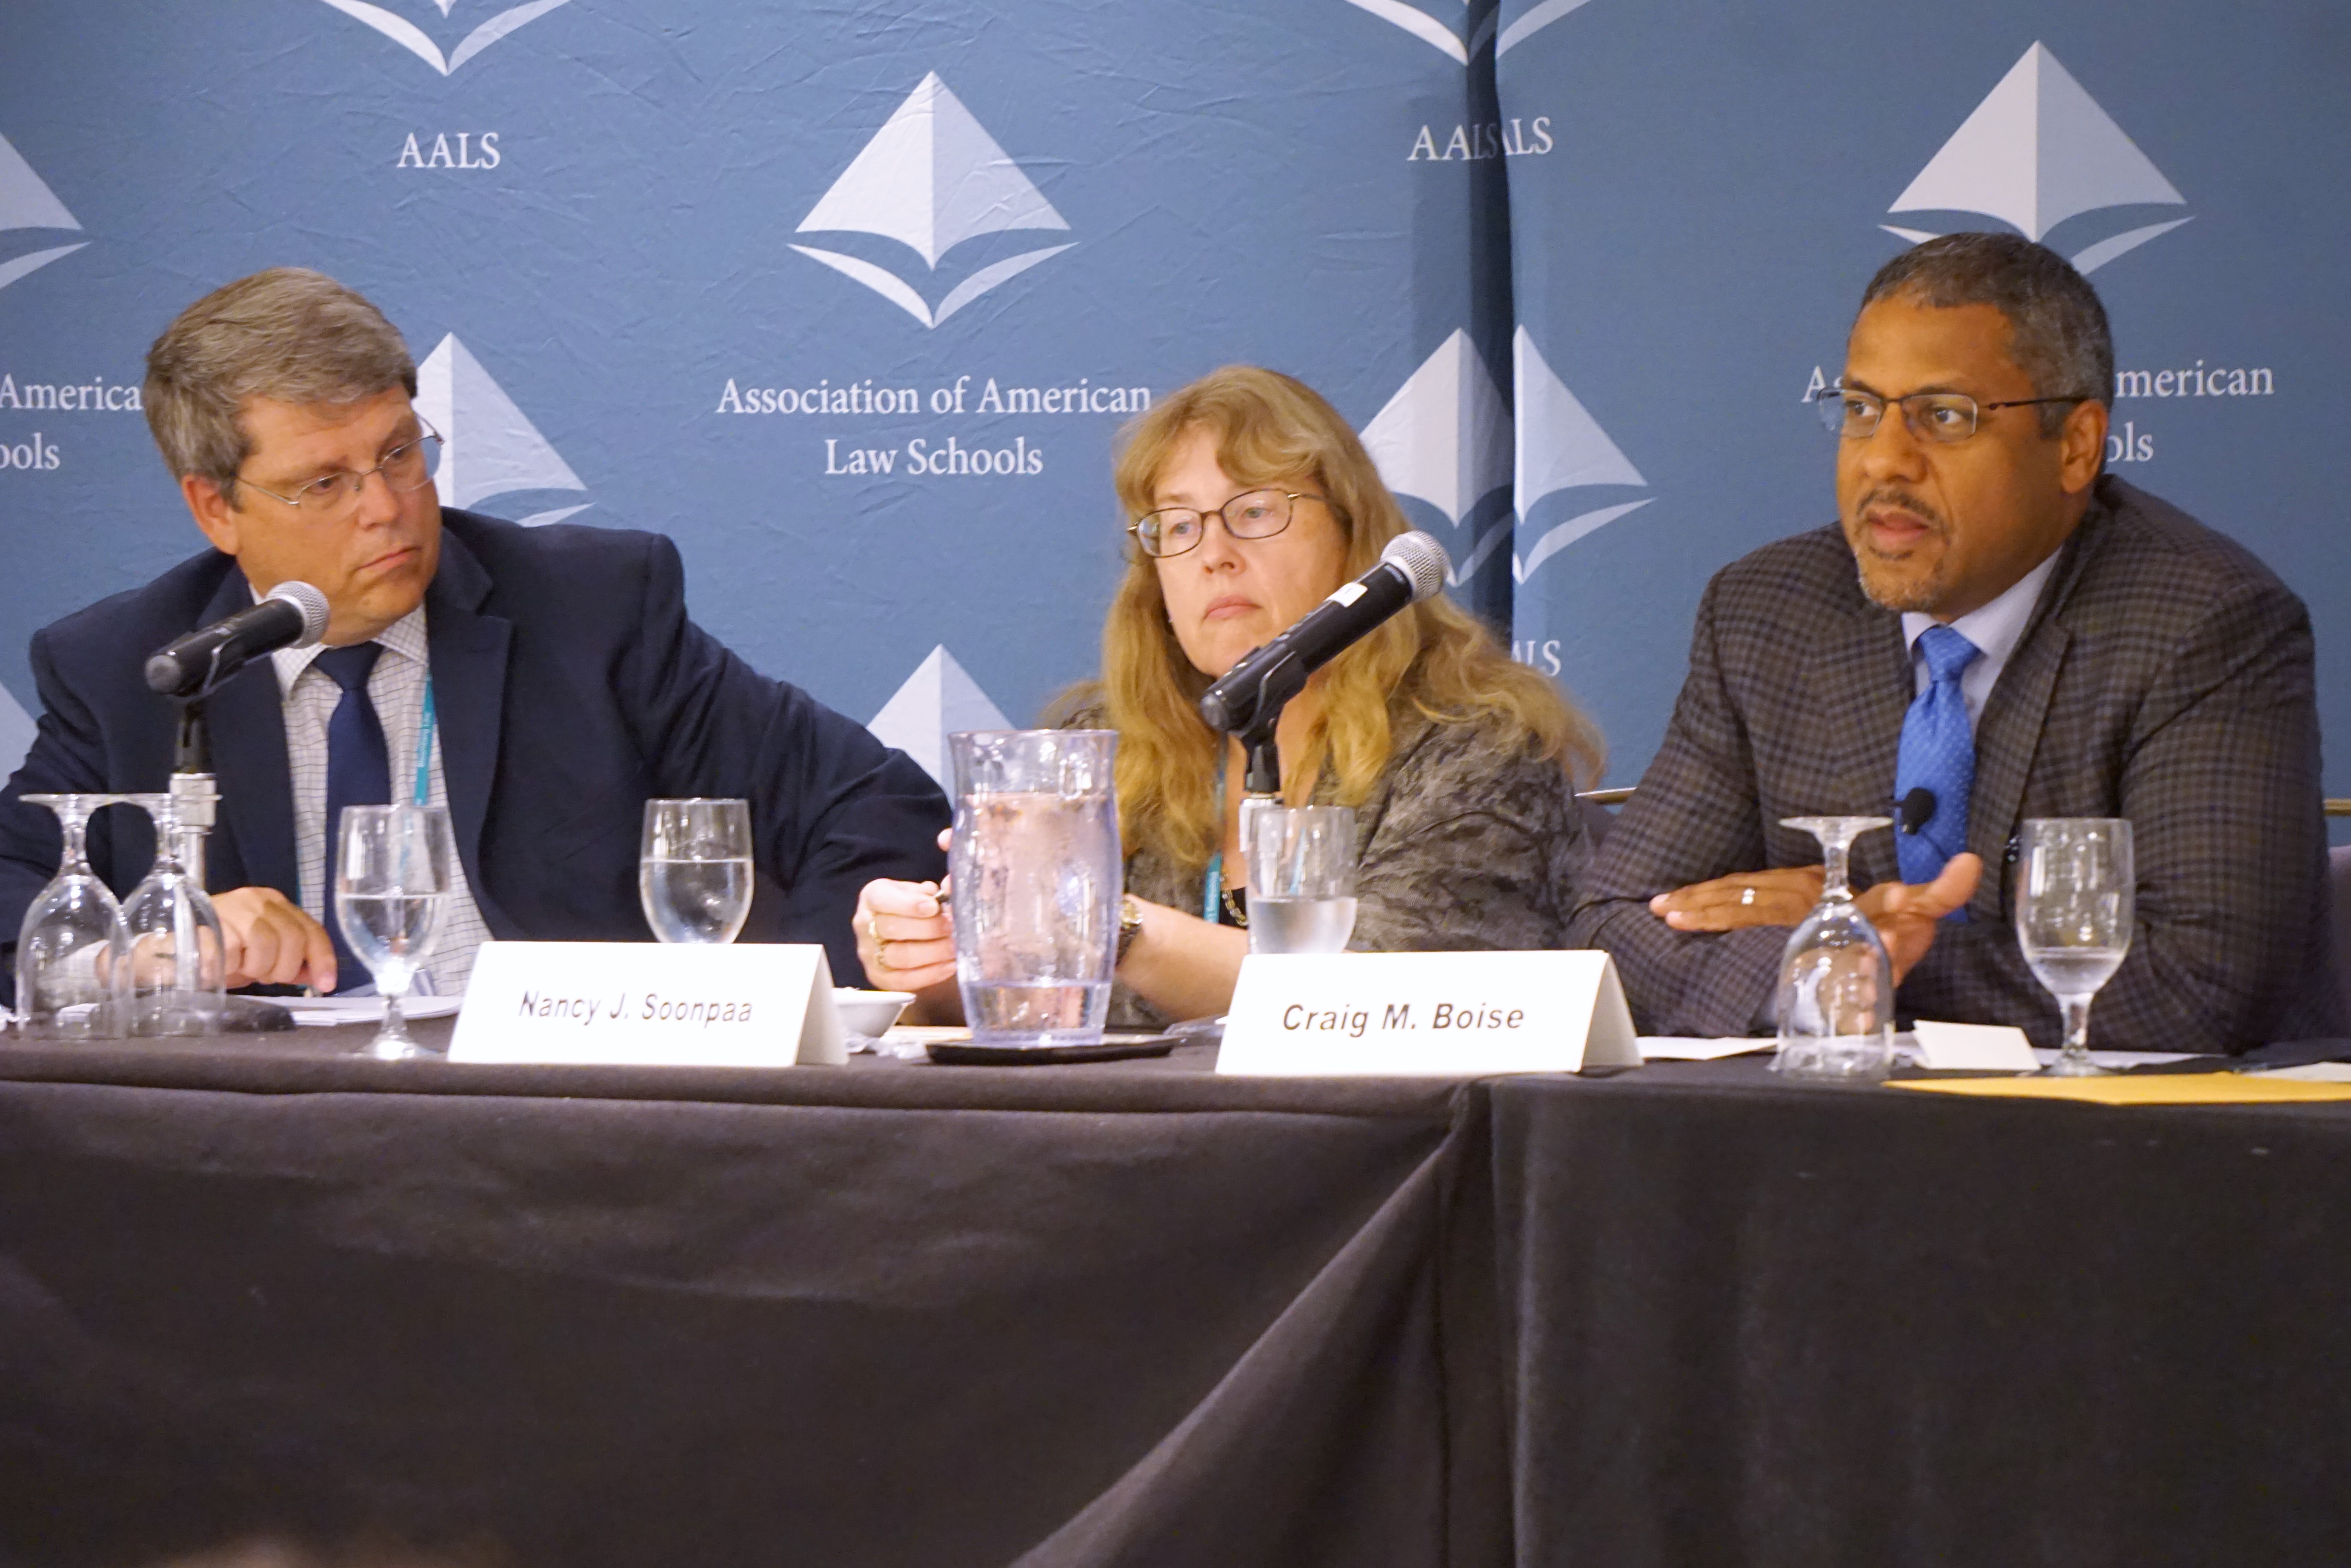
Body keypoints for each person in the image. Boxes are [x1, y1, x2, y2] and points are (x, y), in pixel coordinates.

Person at [0, 268, 947, 998]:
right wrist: (148, 949)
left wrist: (772, 1018)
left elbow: (876, 808)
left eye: (401, 453)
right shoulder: (135, 669)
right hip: (261, 1160)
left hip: (558, 1129)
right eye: (325, 483)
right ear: (216, 510)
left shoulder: (589, 610)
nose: (389, 509)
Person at [1569, 232, 2340, 1052]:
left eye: (1944, 417)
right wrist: (1805, 966)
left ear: (2076, 445)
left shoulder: (2205, 622)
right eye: (1862, 411)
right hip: (1813, 1150)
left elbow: (2202, 985)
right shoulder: (1768, 612)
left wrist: (1845, 953)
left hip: (2128, 1156)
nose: (1885, 462)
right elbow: (1606, 932)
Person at [855, 364, 1603, 1027]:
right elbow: (1046, 999)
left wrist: (1108, 928)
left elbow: (1395, 996)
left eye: (1253, 512)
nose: (1214, 555)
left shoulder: (1475, 746)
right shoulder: (1106, 748)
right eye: (1179, 525)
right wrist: (941, 965)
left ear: (1351, 532)